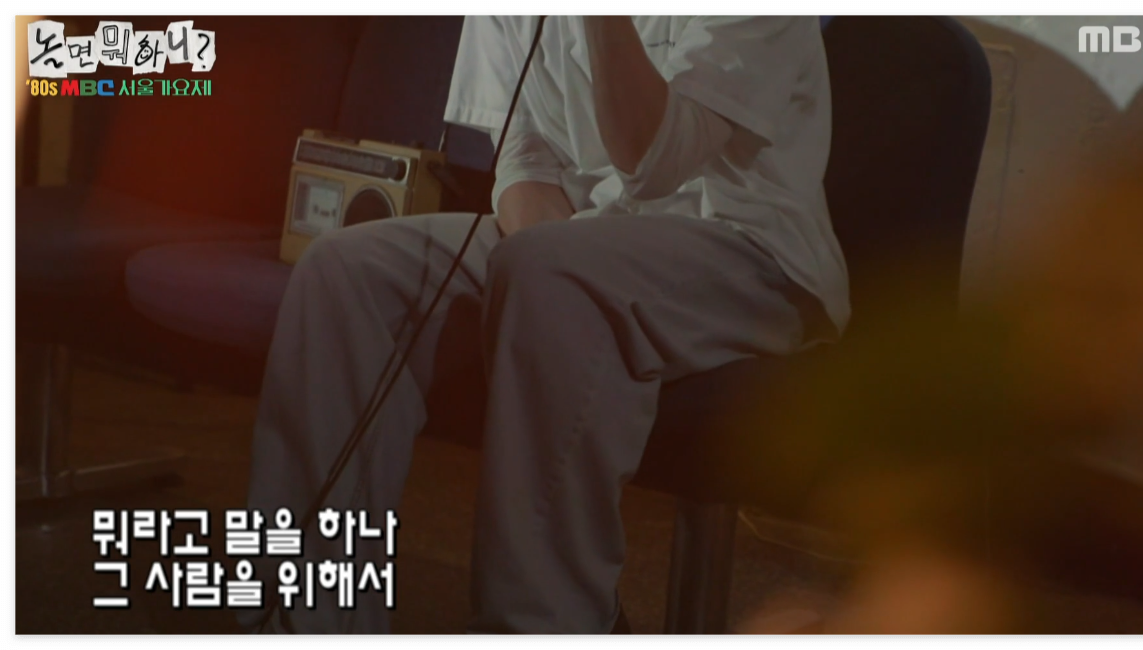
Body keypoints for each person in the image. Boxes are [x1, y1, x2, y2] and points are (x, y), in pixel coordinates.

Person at [242, 15, 848, 634]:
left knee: (550, 275)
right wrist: (539, 267)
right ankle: (307, 618)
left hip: (746, 251)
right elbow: (523, 157)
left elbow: (652, 161)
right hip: (583, 235)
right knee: (346, 273)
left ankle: (552, 622)